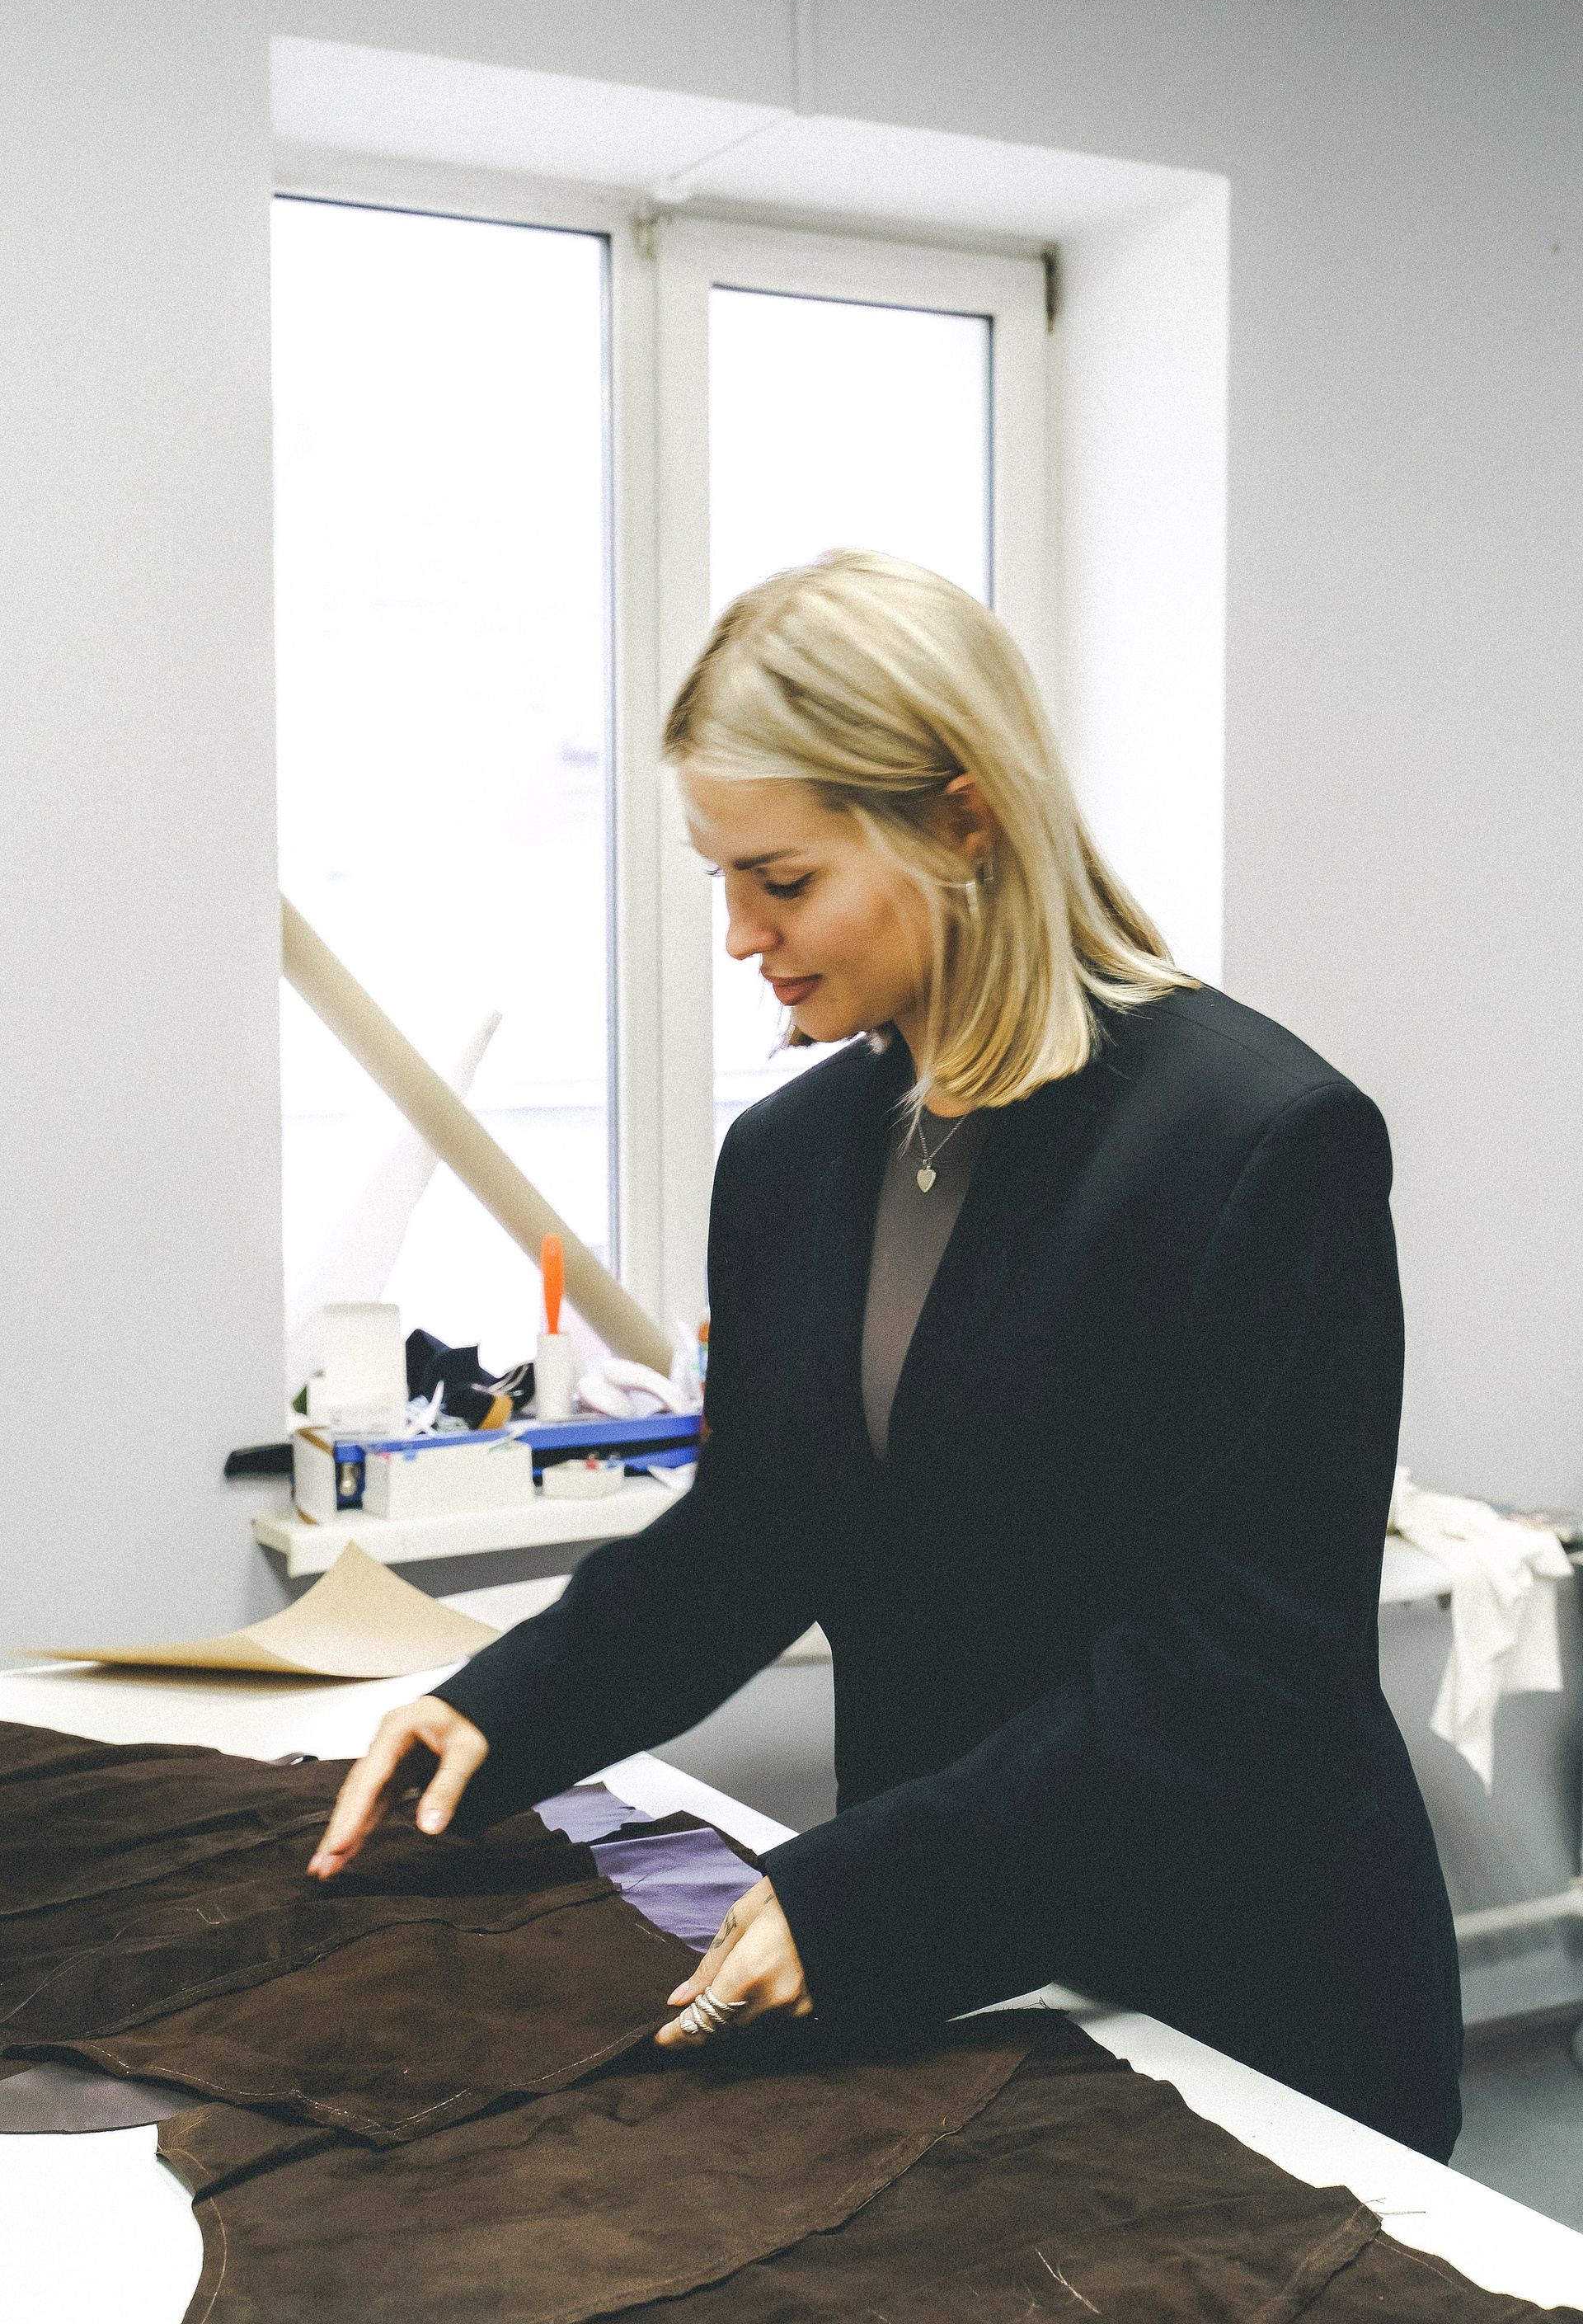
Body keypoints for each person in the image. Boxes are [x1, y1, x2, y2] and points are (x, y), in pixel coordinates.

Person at [310, 550, 1463, 2159]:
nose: (739, 937)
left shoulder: (1258, 1143)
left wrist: (864, 1896)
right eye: (720, 881)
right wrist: (498, 1716)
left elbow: (1242, 1669)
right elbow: (754, 1534)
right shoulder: (793, 1160)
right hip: (956, 1994)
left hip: (1245, 1985)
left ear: (963, 822)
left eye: (780, 881)